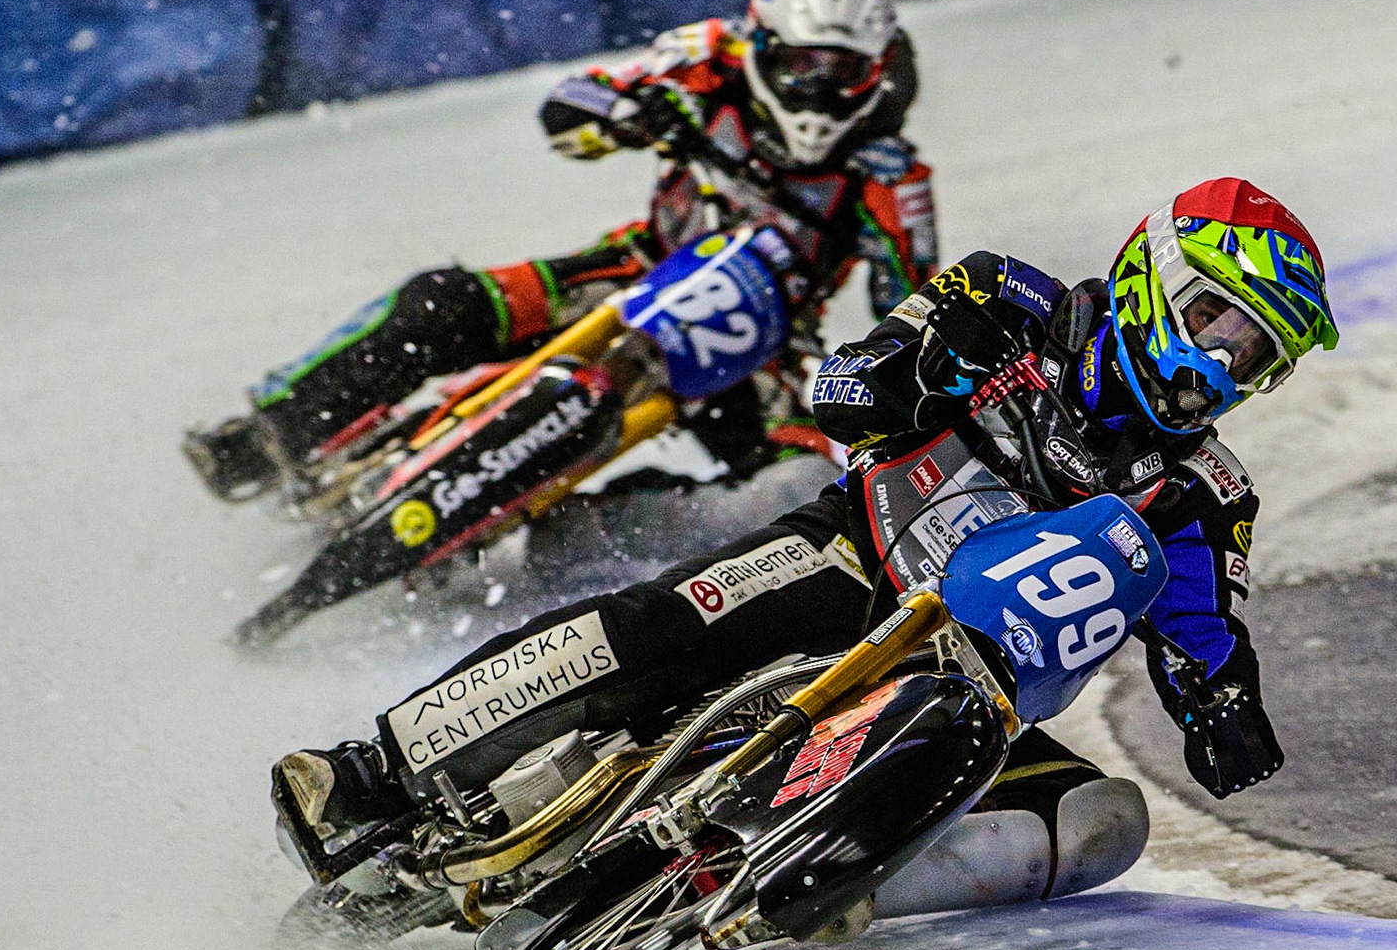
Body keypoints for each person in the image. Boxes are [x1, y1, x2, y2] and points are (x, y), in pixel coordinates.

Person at [272, 178, 1339, 910]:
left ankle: (817, 894)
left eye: (1255, 358)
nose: (1218, 366)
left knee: (1098, 821)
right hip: (846, 564)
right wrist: (910, 376)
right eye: (1216, 321)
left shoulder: (1207, 490)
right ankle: (373, 770)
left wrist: (1224, 705)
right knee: (653, 629)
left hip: (972, 687)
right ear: (1154, 276)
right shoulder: (1007, 300)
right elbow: (840, 391)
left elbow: (1202, 625)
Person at [185, 0, 939, 500]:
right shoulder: (709, 57)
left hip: (761, 348)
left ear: (875, 68)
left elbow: (912, 314)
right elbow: (569, 107)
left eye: (841, 72)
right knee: (441, 302)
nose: (815, 93)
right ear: (762, 46)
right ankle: (273, 433)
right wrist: (628, 115)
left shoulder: (890, 176)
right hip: (632, 269)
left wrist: (892, 368)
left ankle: (589, 547)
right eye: (800, 66)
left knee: (802, 488)